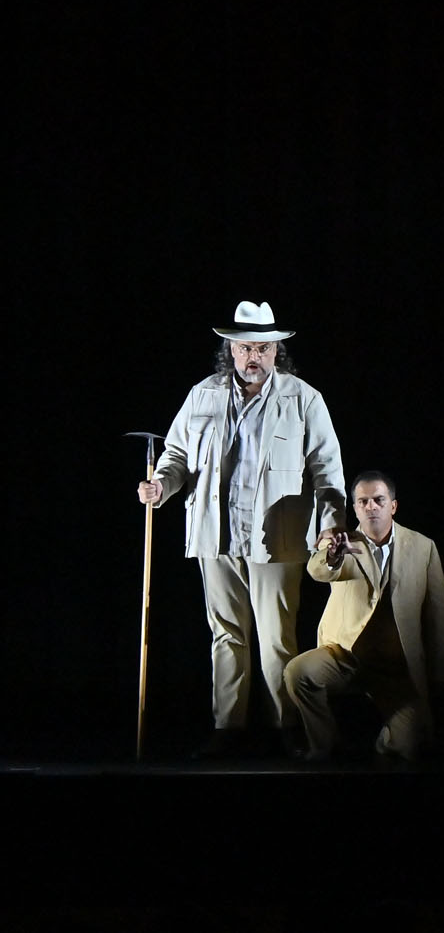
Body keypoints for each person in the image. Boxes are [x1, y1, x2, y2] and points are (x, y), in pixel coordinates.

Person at [136, 300, 347, 755]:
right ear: (230, 350)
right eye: (246, 348)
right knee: (225, 632)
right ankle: (227, 728)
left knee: (276, 636)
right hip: (216, 533)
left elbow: (327, 470)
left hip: (278, 537)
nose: (255, 357)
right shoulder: (203, 395)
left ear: (276, 352)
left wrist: (331, 526)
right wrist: (161, 485)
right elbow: (176, 454)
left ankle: (285, 726)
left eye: (263, 348)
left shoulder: (303, 398)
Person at [284, 469, 444, 761]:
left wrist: (439, 674)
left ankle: (387, 742)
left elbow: (437, 617)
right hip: (343, 656)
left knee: (409, 746)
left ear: (393, 506)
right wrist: (334, 555)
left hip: (395, 667)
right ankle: (324, 745)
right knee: (298, 672)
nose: (371, 506)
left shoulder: (423, 548)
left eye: (378, 500)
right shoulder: (341, 542)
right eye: (363, 502)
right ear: (355, 508)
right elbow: (318, 570)